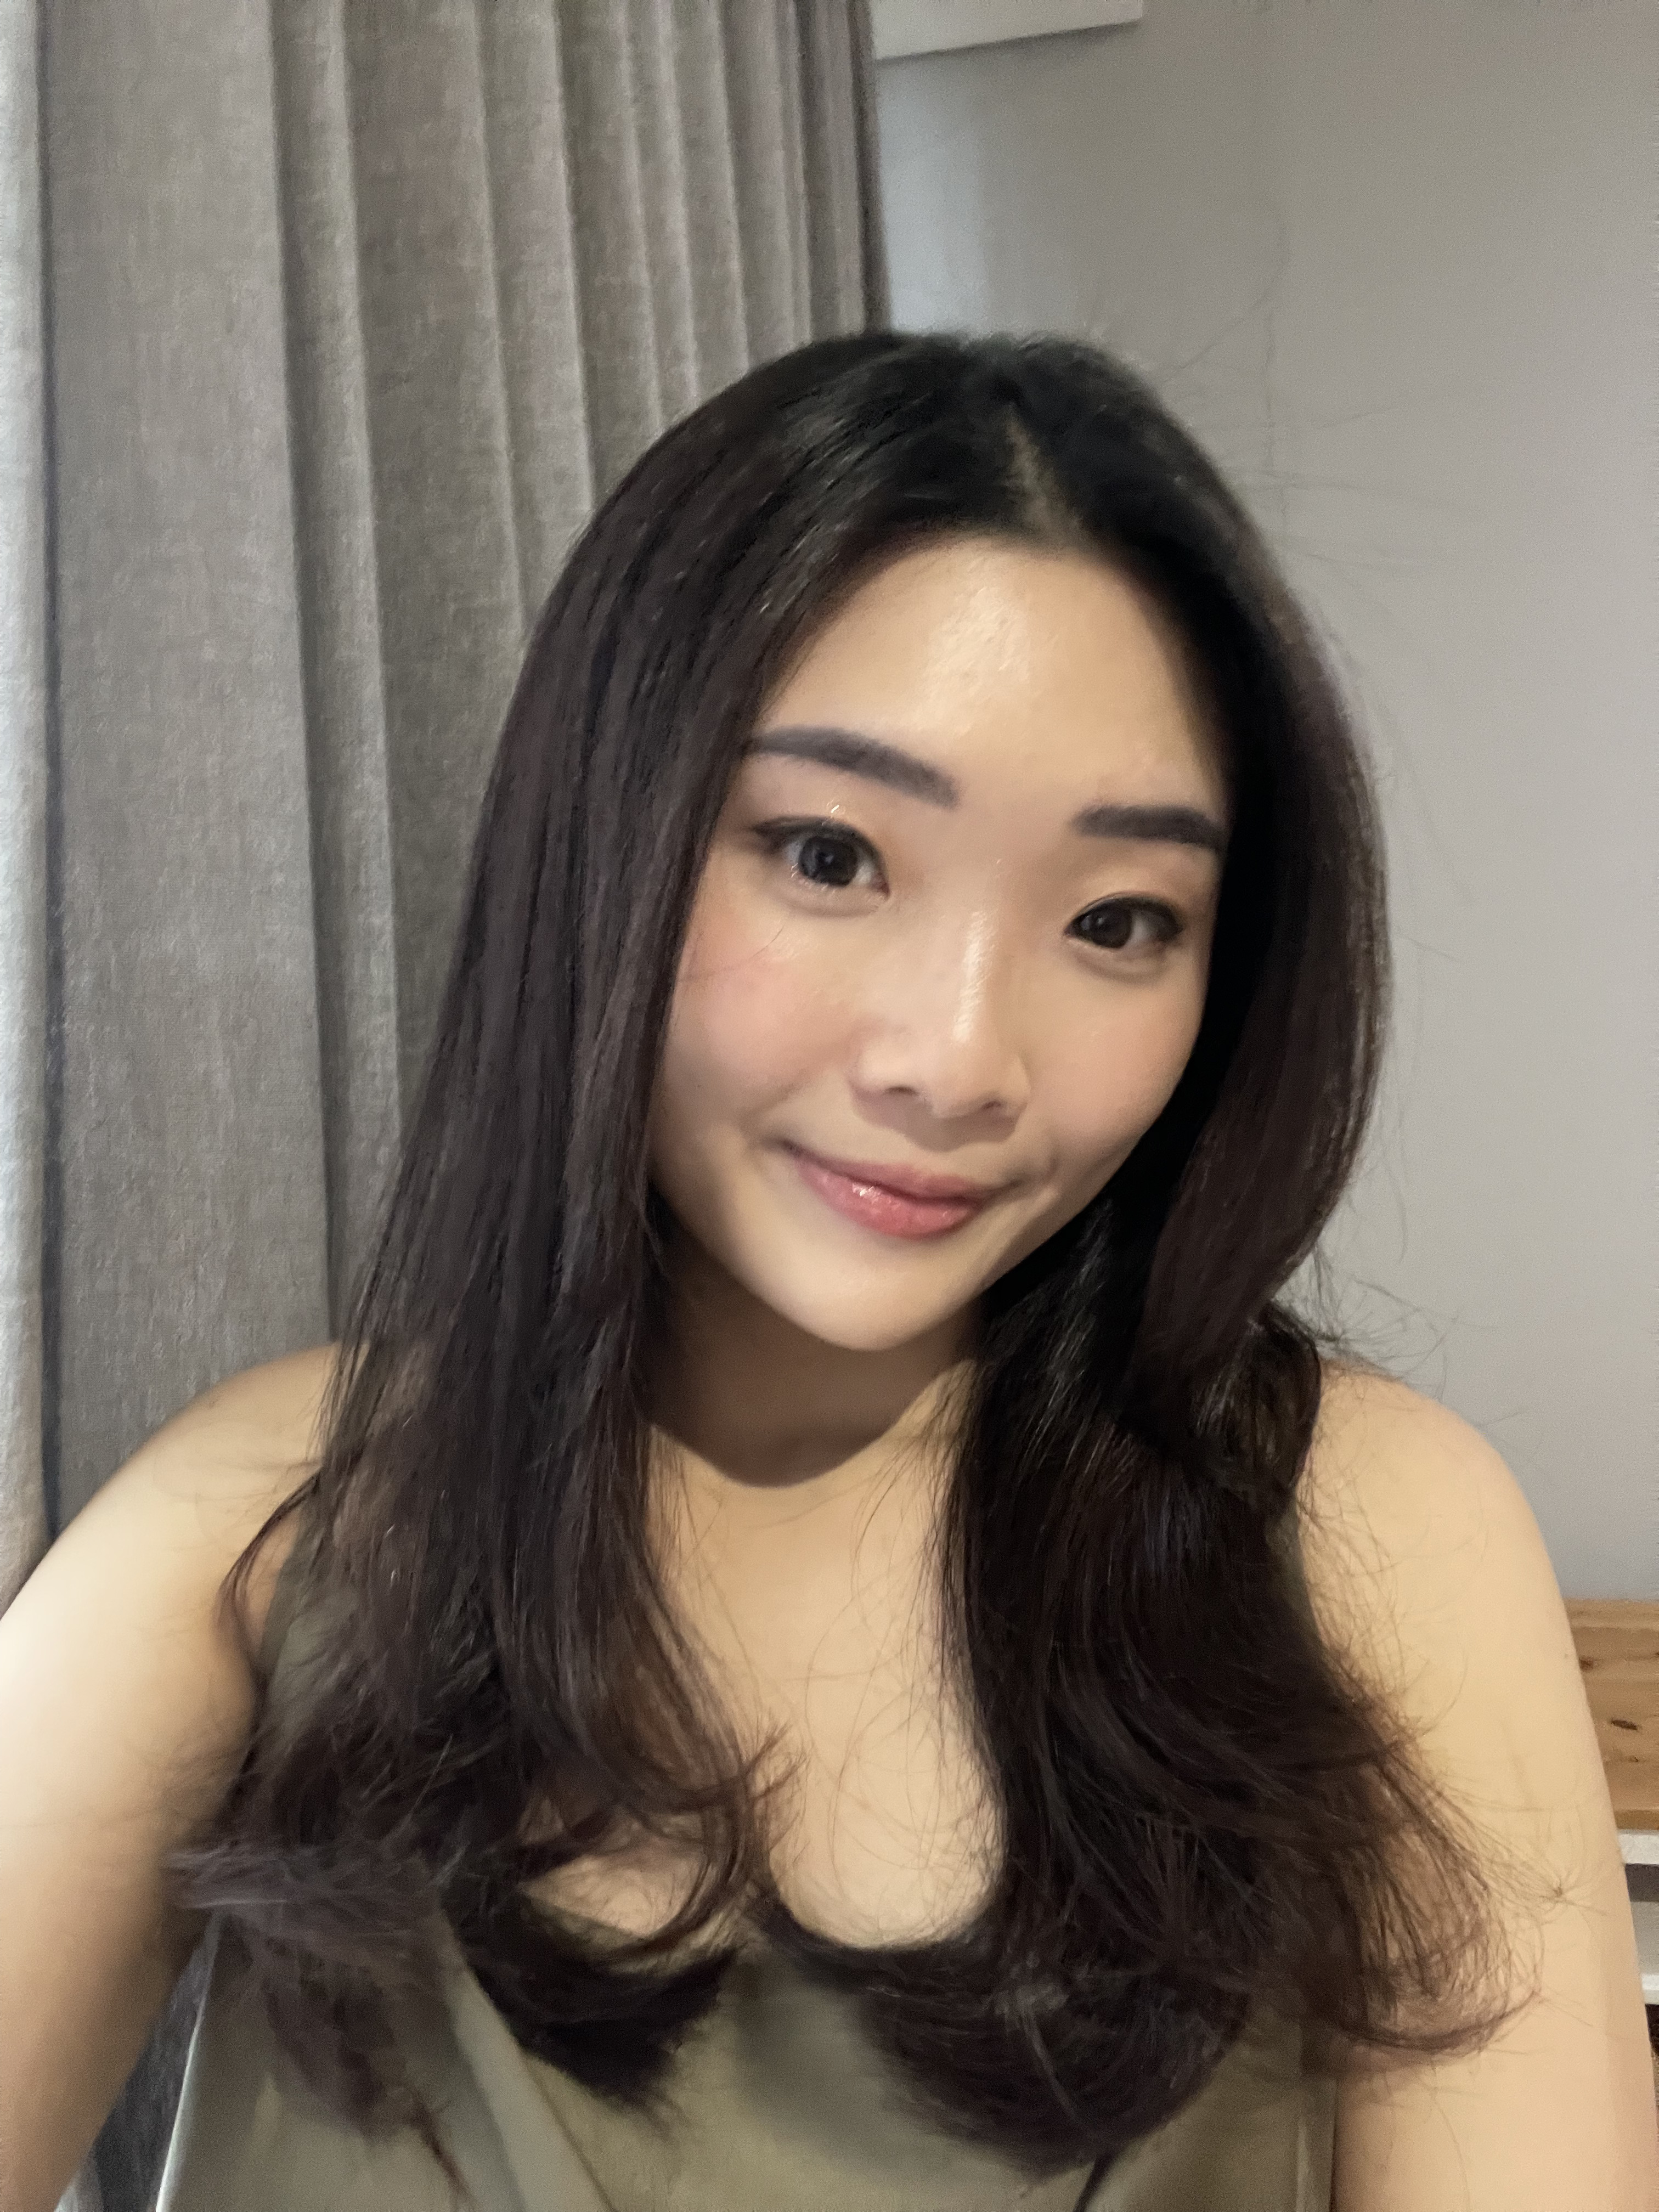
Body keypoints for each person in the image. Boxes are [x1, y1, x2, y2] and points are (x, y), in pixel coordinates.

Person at [2, 330, 1654, 2212]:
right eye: (827, 853)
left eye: (1120, 919)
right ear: (603, 840)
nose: (956, 1060)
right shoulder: (263, 1528)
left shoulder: (1367, 1534)